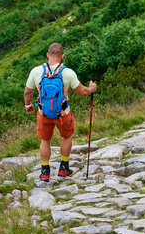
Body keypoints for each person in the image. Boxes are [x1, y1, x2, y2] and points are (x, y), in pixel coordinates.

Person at [24, 43, 97, 181]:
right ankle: (64, 168)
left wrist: (28, 105)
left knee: (45, 140)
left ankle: (45, 172)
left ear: (47, 55)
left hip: (43, 113)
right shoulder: (68, 73)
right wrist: (92, 89)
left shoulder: (36, 71)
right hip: (63, 114)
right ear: (62, 56)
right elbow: (83, 92)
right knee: (66, 137)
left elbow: (28, 91)